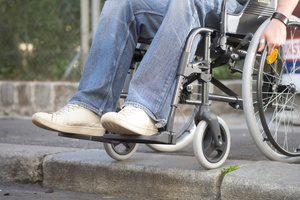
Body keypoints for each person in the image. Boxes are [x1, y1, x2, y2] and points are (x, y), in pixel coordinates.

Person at [32, 0, 299, 137]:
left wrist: (280, 19)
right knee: (123, 2)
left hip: (240, 11)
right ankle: (91, 106)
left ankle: (144, 108)